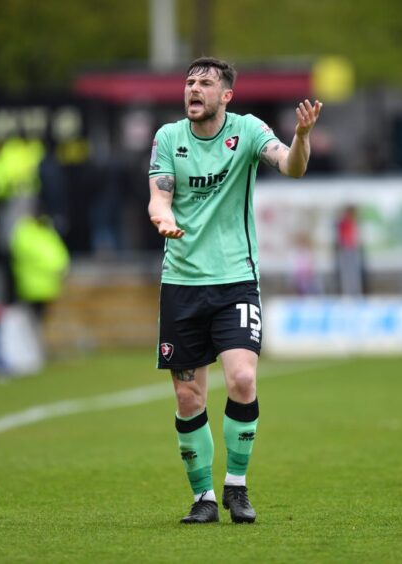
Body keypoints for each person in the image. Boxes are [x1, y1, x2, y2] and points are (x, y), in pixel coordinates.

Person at [147, 57, 322, 524]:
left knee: (242, 379)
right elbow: (159, 194)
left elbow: (291, 167)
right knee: (189, 398)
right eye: (189, 82)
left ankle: (237, 488)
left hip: (235, 280)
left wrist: (301, 137)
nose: (193, 89)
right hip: (181, 283)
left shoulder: (246, 131)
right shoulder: (168, 138)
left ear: (226, 95)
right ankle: (203, 496)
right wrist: (162, 216)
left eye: (205, 83)